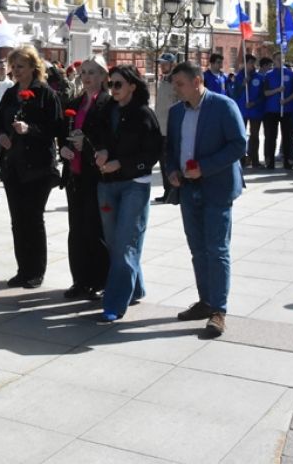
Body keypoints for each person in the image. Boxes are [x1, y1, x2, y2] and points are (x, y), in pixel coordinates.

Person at [165, 61, 248, 338]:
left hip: (217, 187)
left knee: (217, 249)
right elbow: (170, 148)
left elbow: (239, 144)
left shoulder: (223, 106)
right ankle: (205, 301)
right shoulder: (176, 112)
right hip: (189, 189)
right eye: (174, 84)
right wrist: (172, 172)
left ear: (198, 80)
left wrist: (206, 166)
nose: (176, 90)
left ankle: (219, 311)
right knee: (198, 249)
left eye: (180, 84)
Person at [93, 65, 162, 322]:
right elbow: (98, 135)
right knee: (116, 242)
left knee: (126, 243)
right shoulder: (107, 110)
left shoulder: (145, 115)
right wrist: (100, 151)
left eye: (119, 84)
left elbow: (153, 153)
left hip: (135, 184)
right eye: (111, 84)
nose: (113, 89)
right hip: (107, 183)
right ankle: (135, 289)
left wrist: (122, 163)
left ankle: (114, 302)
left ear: (133, 86)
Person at [0, 45, 63, 289]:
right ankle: (22, 269)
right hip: (13, 165)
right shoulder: (11, 94)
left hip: (37, 167)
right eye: (13, 67)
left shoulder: (45, 94)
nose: (15, 71)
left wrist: (30, 129)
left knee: (33, 219)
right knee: (17, 220)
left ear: (34, 68)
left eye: (20, 67)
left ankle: (36, 271)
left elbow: (56, 128)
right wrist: (0, 135)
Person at [59, 56, 110, 299]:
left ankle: (98, 280)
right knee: (76, 230)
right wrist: (63, 149)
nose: (87, 76)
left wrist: (86, 145)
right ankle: (79, 279)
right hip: (74, 175)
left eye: (93, 72)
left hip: (96, 176)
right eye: (84, 72)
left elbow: (109, 140)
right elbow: (63, 133)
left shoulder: (108, 104)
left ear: (103, 76)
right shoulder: (76, 102)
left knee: (94, 229)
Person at [260, 57, 293, 170]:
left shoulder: (290, 74)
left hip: (286, 110)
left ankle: (288, 161)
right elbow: (265, 92)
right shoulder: (269, 75)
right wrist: (278, 90)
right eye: (276, 60)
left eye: (281, 59)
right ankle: (269, 161)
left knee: (288, 136)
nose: (278, 61)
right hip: (271, 110)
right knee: (270, 136)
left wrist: (286, 100)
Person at [153, 54, 180, 204]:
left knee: (170, 162)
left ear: (172, 64)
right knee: (163, 162)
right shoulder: (163, 80)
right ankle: (167, 191)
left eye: (165, 64)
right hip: (161, 127)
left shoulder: (175, 81)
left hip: (171, 127)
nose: (162, 67)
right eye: (161, 64)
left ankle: (173, 191)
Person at [232, 54, 264, 168]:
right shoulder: (238, 77)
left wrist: (254, 103)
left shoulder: (259, 77)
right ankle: (241, 160)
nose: (252, 66)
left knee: (255, 135)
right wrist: (242, 84)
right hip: (242, 110)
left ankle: (254, 159)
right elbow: (234, 94)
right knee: (241, 135)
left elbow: (262, 95)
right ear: (245, 64)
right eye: (250, 63)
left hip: (255, 111)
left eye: (253, 63)